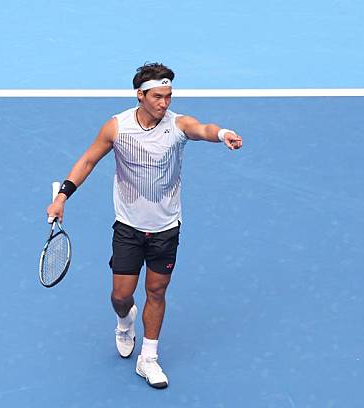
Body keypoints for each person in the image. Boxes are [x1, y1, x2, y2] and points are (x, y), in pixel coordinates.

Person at [46, 62, 243, 389]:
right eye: (157, 97)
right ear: (140, 95)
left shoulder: (178, 125)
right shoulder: (117, 127)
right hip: (128, 227)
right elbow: (88, 160)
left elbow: (202, 129)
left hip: (166, 228)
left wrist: (221, 134)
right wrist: (63, 197)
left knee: (156, 290)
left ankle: (148, 358)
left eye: (168, 96)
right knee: (121, 296)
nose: (164, 103)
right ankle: (125, 322)